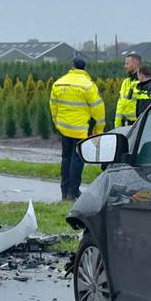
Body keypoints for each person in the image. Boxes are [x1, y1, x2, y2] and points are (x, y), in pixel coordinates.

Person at [49, 55, 106, 200]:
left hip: (64, 129)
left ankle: (64, 190)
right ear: (84, 68)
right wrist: (99, 130)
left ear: (72, 67)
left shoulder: (59, 83)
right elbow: (98, 109)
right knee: (78, 159)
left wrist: (57, 123)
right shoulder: (88, 86)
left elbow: (53, 105)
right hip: (81, 130)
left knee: (66, 158)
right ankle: (73, 192)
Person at [115, 53, 142, 127]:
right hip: (125, 125)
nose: (125, 66)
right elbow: (120, 105)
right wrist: (117, 126)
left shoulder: (143, 83)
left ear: (134, 64)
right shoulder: (126, 82)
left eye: (127, 64)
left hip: (138, 125)